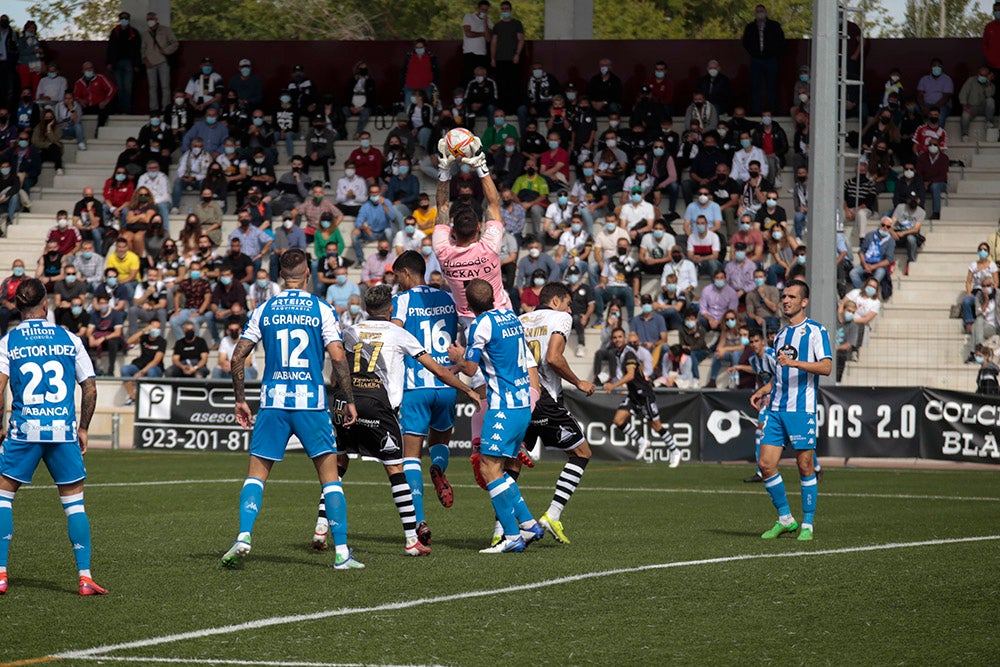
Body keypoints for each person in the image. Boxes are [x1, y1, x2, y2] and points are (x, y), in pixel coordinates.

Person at [220, 249, 363, 569]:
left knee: (255, 477)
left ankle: (243, 536)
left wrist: (240, 399)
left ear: (280, 275)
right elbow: (338, 358)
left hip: (273, 402)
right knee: (330, 479)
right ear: (308, 273)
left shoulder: (264, 309)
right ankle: (341, 553)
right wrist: (350, 399)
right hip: (310, 403)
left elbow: (236, 357)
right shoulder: (322, 309)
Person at [315, 284, 480, 557]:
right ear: (391, 309)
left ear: (366, 308)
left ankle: (321, 529)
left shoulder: (350, 332)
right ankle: (411, 539)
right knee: (395, 471)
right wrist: (467, 389)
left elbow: (336, 370)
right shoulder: (399, 333)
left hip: (346, 404)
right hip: (378, 407)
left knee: (337, 467)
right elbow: (437, 369)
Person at [0, 279, 107, 596]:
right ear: (45, 305)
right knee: (75, 504)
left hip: (25, 429)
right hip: (62, 429)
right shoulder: (69, 338)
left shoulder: (8, 342)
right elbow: (89, 387)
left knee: (3, 497)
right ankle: (85, 576)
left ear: (18, 307)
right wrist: (83, 428)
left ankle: (1, 573)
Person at [447, 278, 542, 553]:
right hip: (522, 404)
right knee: (499, 468)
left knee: (488, 468)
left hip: (503, 406)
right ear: (492, 297)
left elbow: (471, 367)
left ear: (467, 304)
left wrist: (457, 358)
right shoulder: (511, 317)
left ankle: (511, 536)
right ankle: (528, 523)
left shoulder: (481, 324)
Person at [749, 280, 830, 541]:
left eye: (792, 297)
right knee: (765, 464)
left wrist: (794, 362)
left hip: (801, 409)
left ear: (803, 302)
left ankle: (807, 524)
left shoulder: (816, 331)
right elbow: (780, 374)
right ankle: (785, 519)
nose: (786, 300)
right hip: (776, 409)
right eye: (784, 296)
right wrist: (763, 390)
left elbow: (826, 367)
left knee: (805, 465)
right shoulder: (781, 335)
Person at [518, 282, 597, 543]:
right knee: (581, 453)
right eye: (568, 303)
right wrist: (579, 382)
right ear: (555, 302)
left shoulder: (520, 320)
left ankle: (503, 532)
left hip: (519, 399)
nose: (570, 308)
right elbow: (553, 357)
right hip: (544, 399)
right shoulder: (561, 317)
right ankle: (552, 515)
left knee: (511, 466)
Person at [602, 326, 681, 466]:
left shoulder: (628, 354)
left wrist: (613, 386)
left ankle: (675, 451)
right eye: (615, 337)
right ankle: (641, 441)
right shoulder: (618, 354)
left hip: (644, 394)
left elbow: (631, 375)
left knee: (656, 426)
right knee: (618, 420)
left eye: (620, 337)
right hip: (633, 394)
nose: (617, 340)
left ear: (624, 338)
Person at [741, 4, 785, 115]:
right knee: (755, 87)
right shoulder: (750, 27)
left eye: (762, 11)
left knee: (772, 86)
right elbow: (745, 42)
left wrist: (773, 52)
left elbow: (781, 41)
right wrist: (754, 52)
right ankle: (756, 112)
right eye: (758, 11)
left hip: (771, 60)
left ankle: (772, 111)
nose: (760, 13)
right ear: (755, 14)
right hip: (756, 60)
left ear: (766, 13)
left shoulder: (774, 26)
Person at [120, 320, 166, 406]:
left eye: (158, 328)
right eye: (154, 327)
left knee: (151, 371)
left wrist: (142, 372)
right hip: (140, 364)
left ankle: (145, 397)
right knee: (125, 369)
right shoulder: (144, 337)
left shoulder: (162, 341)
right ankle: (132, 397)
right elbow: (129, 341)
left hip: (155, 367)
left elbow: (156, 360)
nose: (156, 329)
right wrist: (144, 330)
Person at [491, 2, 525, 113]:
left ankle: (513, 109)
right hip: (500, 59)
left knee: (513, 84)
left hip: (512, 59)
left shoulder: (517, 23)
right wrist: (492, 58)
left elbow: (521, 40)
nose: (505, 11)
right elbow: (494, 42)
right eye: (503, 9)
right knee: (501, 85)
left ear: (510, 10)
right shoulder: (497, 25)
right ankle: (502, 109)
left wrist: (517, 54)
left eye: (506, 9)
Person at [73, 61, 117, 133]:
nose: (89, 70)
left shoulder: (100, 78)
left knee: (106, 107)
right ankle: (75, 130)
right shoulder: (79, 82)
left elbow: (112, 89)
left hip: (100, 105)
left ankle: (99, 130)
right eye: (86, 69)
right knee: (74, 106)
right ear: (82, 71)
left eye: (91, 68)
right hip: (87, 106)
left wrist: (106, 101)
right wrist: (79, 100)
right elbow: (75, 96)